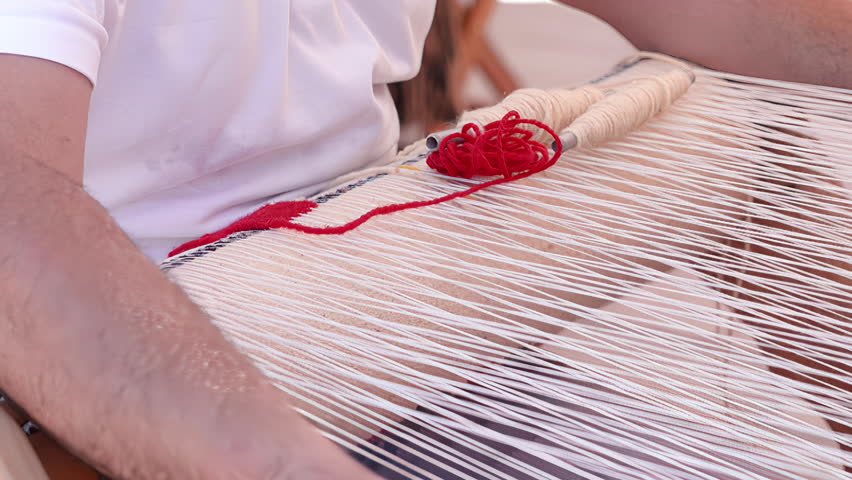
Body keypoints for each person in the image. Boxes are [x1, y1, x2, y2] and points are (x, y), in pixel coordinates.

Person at [0, 1, 850, 478]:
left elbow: (725, 15)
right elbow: (14, 215)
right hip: (98, 363)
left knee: (752, 146)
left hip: (370, 306)